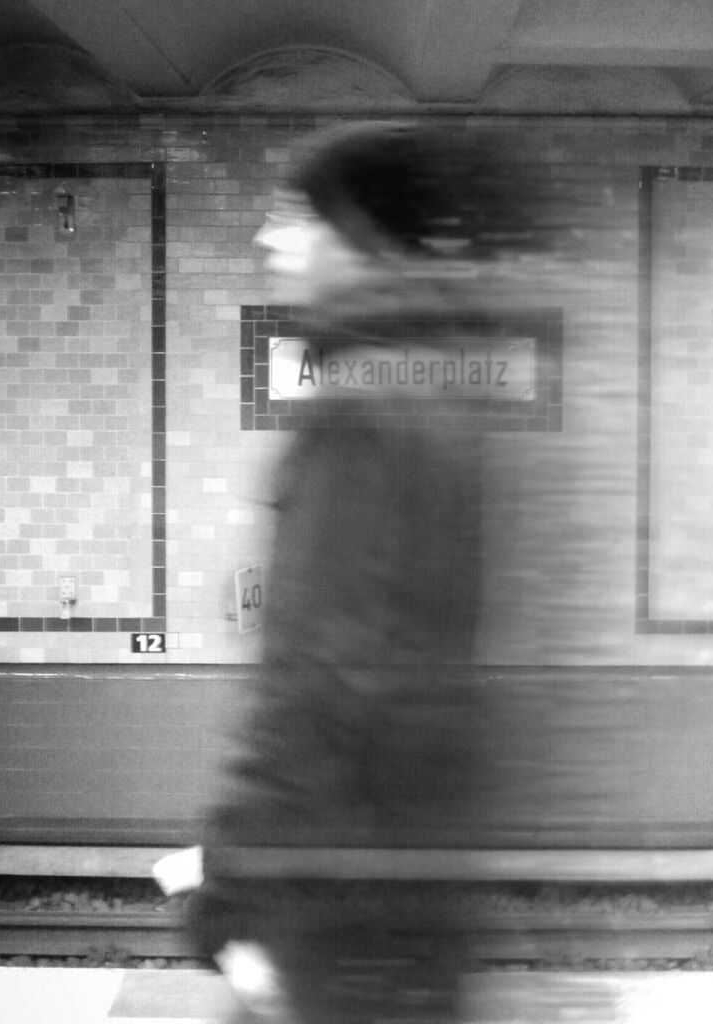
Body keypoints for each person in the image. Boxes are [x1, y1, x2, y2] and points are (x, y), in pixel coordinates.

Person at [185, 121, 541, 1023]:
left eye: (295, 215)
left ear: (363, 236)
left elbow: (317, 676)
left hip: (332, 908)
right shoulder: (449, 396)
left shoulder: (360, 411)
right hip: (413, 887)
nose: (269, 240)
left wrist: (228, 881)